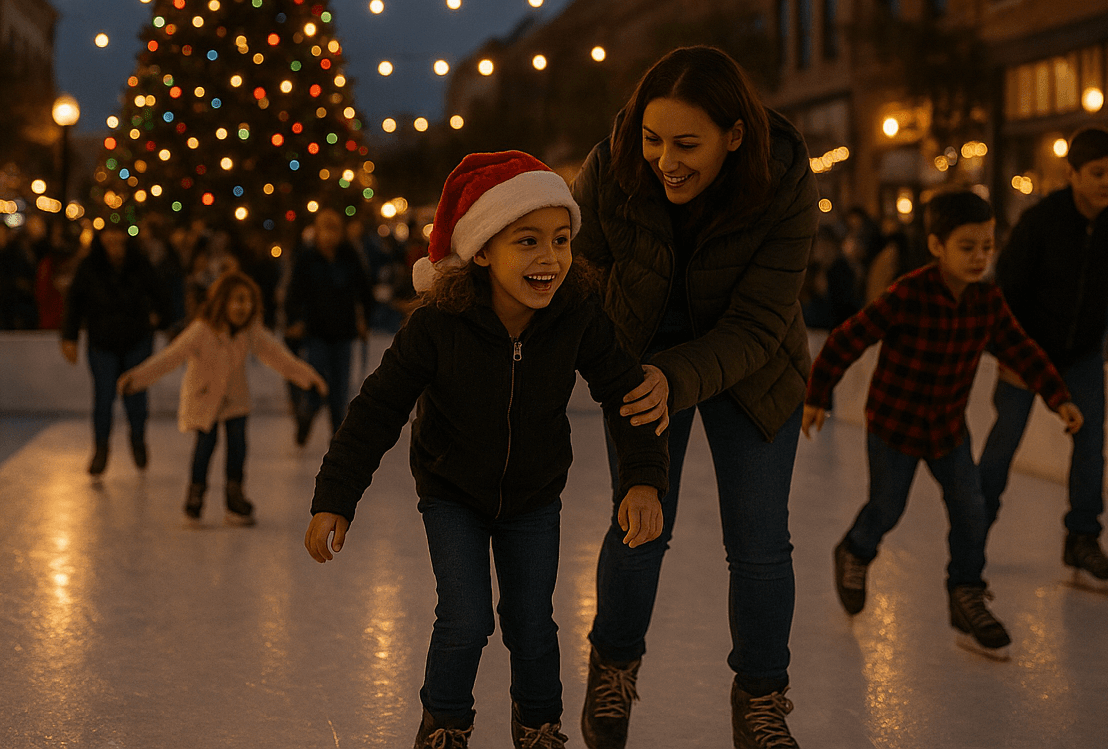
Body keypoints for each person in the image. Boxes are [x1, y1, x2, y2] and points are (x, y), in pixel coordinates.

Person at [305, 151, 669, 749]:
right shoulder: (438, 324)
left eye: (560, 239)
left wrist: (643, 480)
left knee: (532, 623)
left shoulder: (575, 314)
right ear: (481, 250)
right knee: (466, 619)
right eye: (527, 241)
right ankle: (444, 725)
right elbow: (376, 410)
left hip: (533, 497)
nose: (549, 258)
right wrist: (335, 498)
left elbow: (629, 394)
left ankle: (538, 726)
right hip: (453, 495)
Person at [571, 46, 818, 749]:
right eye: (653, 139)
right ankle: (613, 669)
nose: (664, 160)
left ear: (734, 135)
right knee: (639, 524)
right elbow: (581, 274)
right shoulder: (612, 167)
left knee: (761, 542)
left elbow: (761, 320)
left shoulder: (786, 180)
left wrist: (678, 377)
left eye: (687, 144)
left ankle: (762, 700)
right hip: (641, 358)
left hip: (753, 362)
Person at [802, 191, 1081, 656]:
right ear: (937, 246)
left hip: (947, 429)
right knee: (887, 508)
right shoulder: (908, 294)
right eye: (967, 247)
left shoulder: (987, 300)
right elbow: (847, 339)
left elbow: (1019, 348)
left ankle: (966, 594)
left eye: (987, 247)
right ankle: (854, 550)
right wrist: (816, 394)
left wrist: (1058, 397)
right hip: (895, 426)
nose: (979, 258)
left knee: (971, 510)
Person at [981, 128, 1108, 586]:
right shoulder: (1041, 220)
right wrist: (1006, 348)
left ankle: (1082, 538)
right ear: (1072, 174)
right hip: (1026, 351)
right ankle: (971, 532)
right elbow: (1008, 289)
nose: (1107, 183)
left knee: (1091, 443)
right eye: (1097, 173)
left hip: (1081, 354)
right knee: (1004, 443)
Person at [117, 270, 325, 523]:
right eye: (238, 300)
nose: (243, 307)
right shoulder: (202, 330)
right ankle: (195, 495)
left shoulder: (250, 331)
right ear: (222, 301)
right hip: (205, 396)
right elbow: (170, 357)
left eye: (248, 301)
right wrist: (136, 379)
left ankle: (234, 498)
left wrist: (308, 377)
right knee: (206, 445)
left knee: (238, 445)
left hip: (236, 397)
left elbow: (278, 356)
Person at [61, 226, 170, 476]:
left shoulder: (140, 265)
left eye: (120, 243)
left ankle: (138, 439)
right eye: (110, 243)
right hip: (102, 343)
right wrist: (69, 337)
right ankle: (101, 448)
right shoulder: (89, 268)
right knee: (103, 397)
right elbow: (74, 303)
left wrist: (159, 319)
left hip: (137, 340)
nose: (116, 249)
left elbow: (162, 293)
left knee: (136, 398)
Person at [283, 208, 375, 445]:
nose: (330, 234)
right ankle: (306, 417)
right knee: (316, 379)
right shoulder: (307, 258)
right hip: (316, 331)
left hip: (344, 331)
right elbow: (294, 293)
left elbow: (364, 290)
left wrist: (364, 319)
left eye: (334, 228)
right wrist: (294, 321)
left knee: (340, 388)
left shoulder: (349, 256)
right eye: (325, 227)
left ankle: (338, 437)